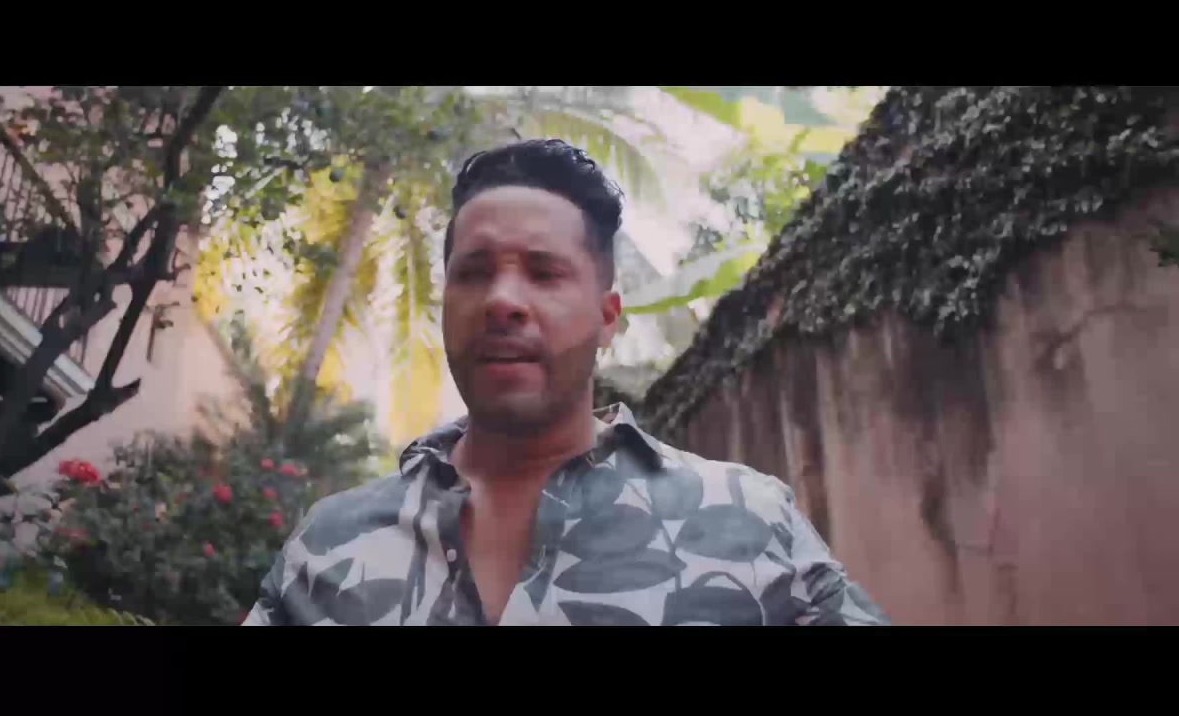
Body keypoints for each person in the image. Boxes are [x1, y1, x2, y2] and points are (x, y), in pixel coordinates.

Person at [243, 139, 889, 626]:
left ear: (608, 318)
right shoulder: (327, 549)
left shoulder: (750, 522)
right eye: (474, 273)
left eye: (544, 273)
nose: (502, 300)